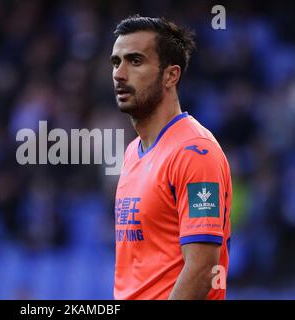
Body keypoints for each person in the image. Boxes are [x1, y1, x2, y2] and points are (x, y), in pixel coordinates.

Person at [111, 15, 232, 300]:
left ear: (171, 75)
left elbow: (202, 269)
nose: (119, 73)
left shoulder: (195, 152)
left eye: (135, 61)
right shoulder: (132, 153)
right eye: (116, 62)